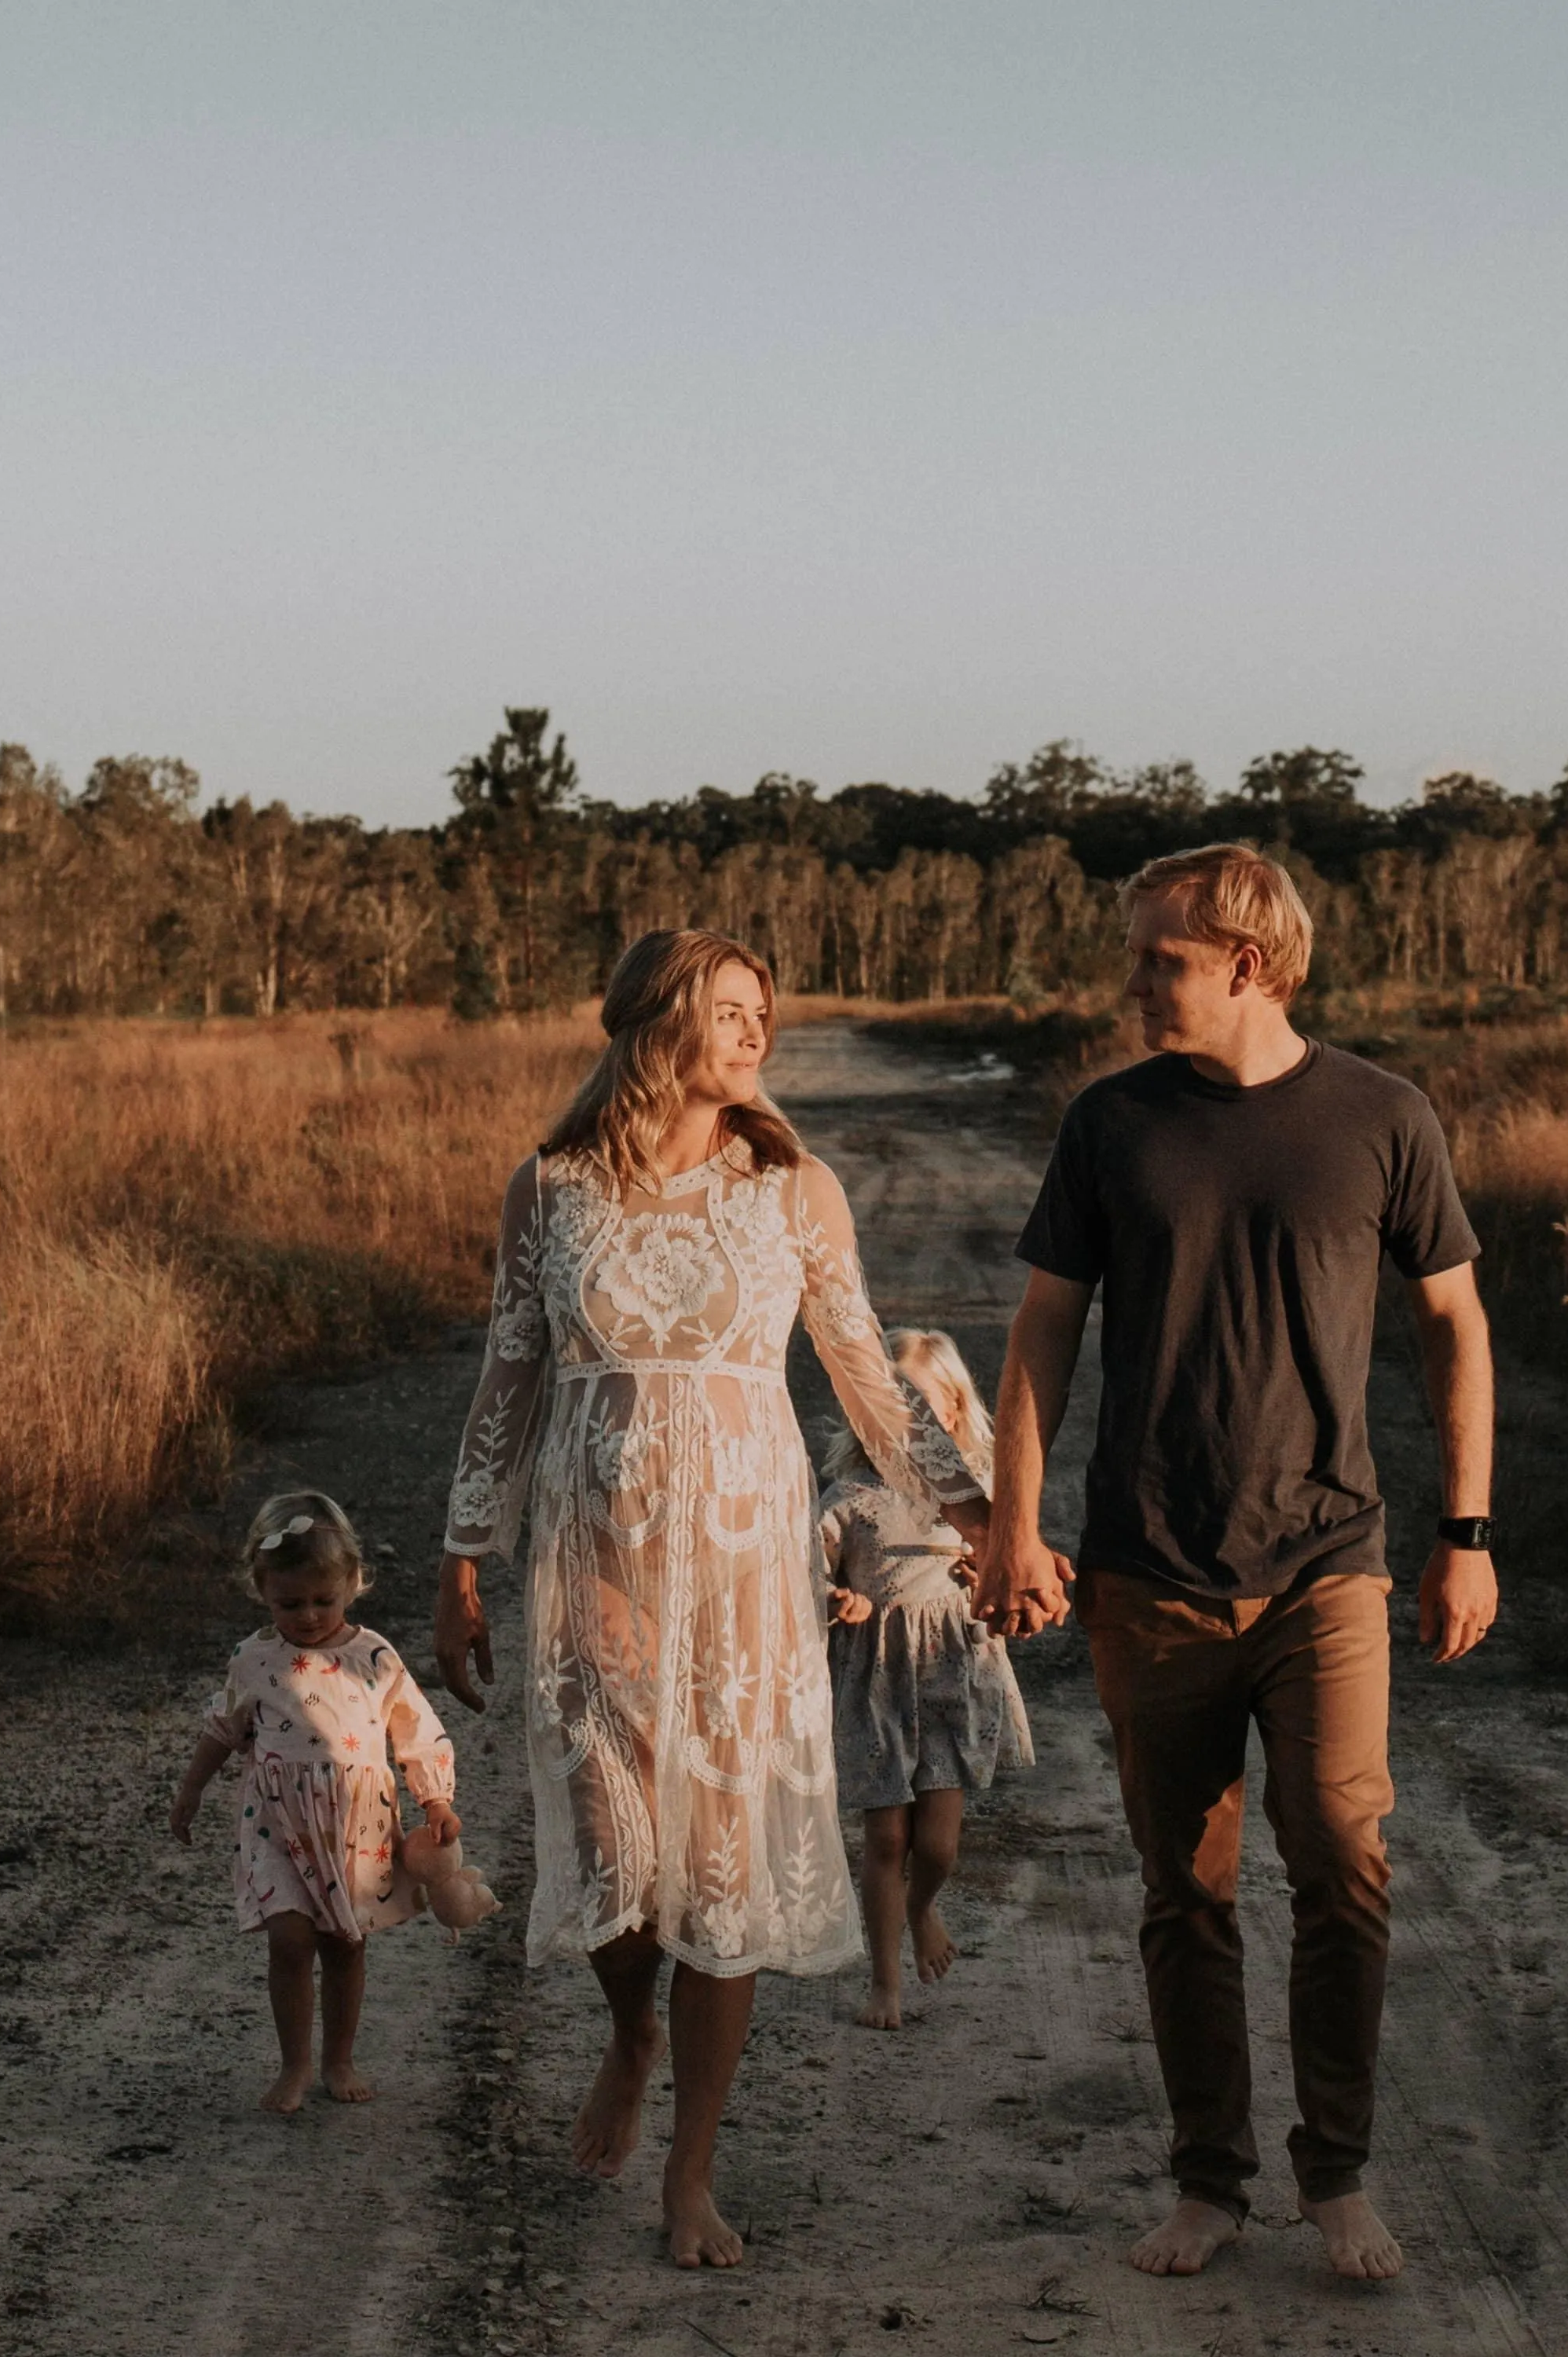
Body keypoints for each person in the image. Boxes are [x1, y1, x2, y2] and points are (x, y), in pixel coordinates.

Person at [976, 843, 1497, 2285]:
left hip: (1329, 1561)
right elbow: (1041, 1334)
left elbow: (1454, 1324)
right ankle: (1211, 2181)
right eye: (1138, 953)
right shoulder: (1109, 1124)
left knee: (1341, 1857)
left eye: (1162, 957)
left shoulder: (1380, 1117)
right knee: (1184, 1889)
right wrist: (1017, 1526)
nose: (1136, 979)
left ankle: (1337, 2176)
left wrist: (1466, 1535)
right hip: (1149, 1570)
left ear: (1249, 964)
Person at [432, 929, 987, 2269]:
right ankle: (629, 2030)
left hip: (743, 1567)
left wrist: (975, 1511)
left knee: (721, 1872)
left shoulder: (794, 1189)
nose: (755, 1036)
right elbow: (509, 1376)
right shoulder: (552, 1189)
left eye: (763, 1015)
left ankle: (693, 2169)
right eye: (730, 1013)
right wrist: (458, 1559)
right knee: (621, 1868)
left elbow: (862, 1368)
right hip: (593, 1557)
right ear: (654, 1023)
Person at [169, 1490, 461, 2113]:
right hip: (278, 1826)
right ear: (261, 1590)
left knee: (346, 1944)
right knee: (290, 1941)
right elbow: (224, 1729)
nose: (306, 1617)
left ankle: (340, 2058)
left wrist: (435, 1800)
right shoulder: (254, 1659)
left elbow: (416, 1728)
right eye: (289, 1603)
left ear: (353, 1583)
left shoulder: (374, 1657)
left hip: (354, 1828)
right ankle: (295, 2064)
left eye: (322, 1600)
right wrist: (191, 1790)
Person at [820, 1326, 1034, 2031]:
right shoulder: (848, 1497)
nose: (913, 1418)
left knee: (937, 1845)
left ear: (955, 1408)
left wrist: (988, 1577)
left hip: (948, 1677)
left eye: (928, 1402)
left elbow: (1010, 1581)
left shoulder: (979, 1492)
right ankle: (885, 1985)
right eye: (895, 1401)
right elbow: (806, 1571)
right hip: (876, 1680)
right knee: (885, 1839)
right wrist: (835, 1598)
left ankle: (921, 1904)